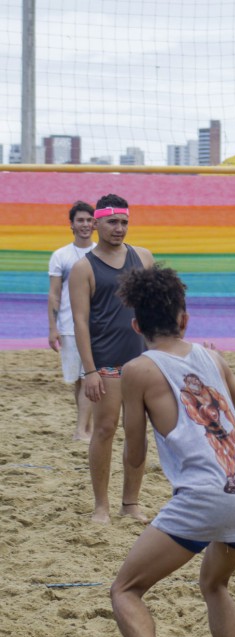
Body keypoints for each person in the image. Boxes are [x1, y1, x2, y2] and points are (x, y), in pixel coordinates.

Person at [110, 265, 235, 637]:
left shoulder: (138, 370)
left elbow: (135, 453)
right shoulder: (213, 358)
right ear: (185, 319)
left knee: (125, 590)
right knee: (215, 585)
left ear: (135, 326)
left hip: (203, 496)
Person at [68, 194, 154, 524]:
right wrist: (89, 370)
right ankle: (101, 505)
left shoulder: (143, 257)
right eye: (112, 222)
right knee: (104, 429)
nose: (119, 229)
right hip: (105, 363)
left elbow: (153, 308)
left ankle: (130, 503)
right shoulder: (83, 267)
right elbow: (79, 321)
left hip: (142, 362)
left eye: (124, 222)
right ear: (96, 223)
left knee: (137, 433)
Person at [48, 201, 96, 442]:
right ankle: (84, 427)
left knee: (90, 374)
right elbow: (54, 294)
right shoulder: (61, 255)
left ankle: (82, 430)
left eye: (89, 220)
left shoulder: (102, 253)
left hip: (97, 326)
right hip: (68, 326)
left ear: (95, 223)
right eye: (81, 220)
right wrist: (52, 328)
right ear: (72, 225)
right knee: (78, 379)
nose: (85, 224)